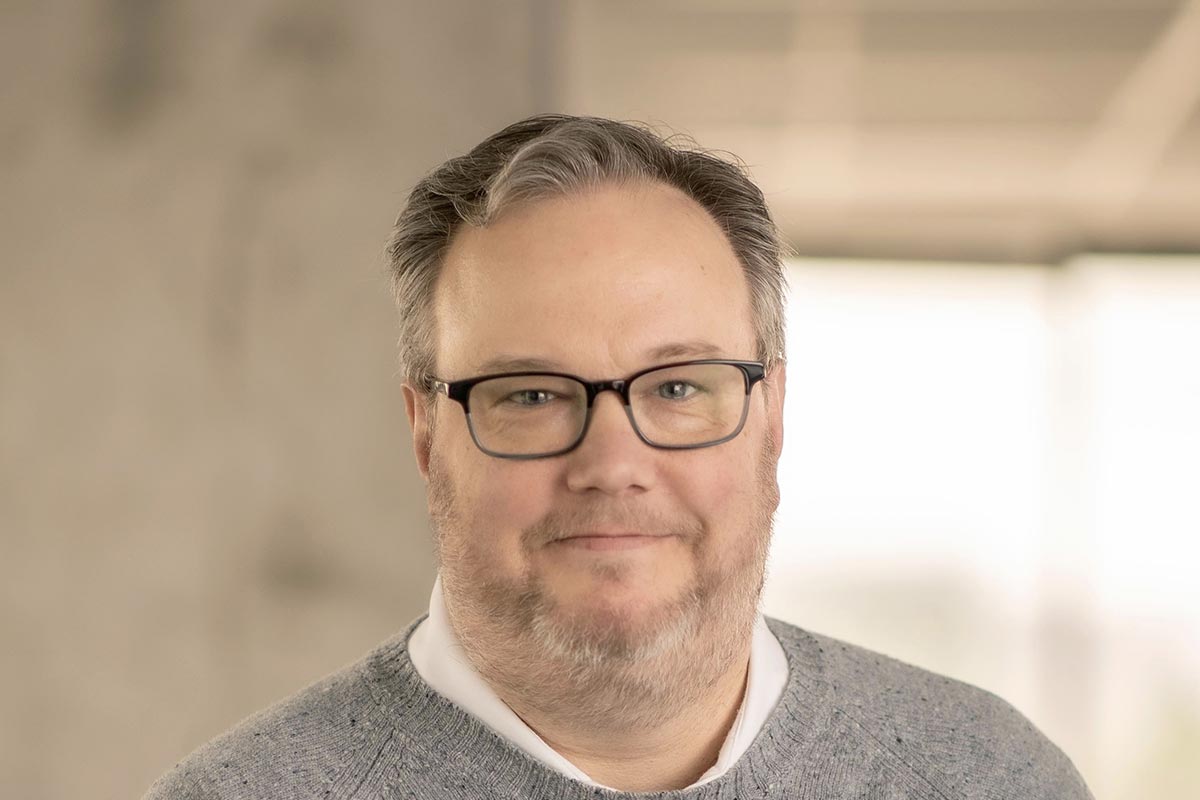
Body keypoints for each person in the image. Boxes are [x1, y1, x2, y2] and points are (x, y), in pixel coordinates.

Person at [144, 114, 1092, 799]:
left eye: (677, 387)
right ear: (426, 433)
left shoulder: (988, 778)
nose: (611, 462)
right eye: (530, 394)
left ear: (772, 417)